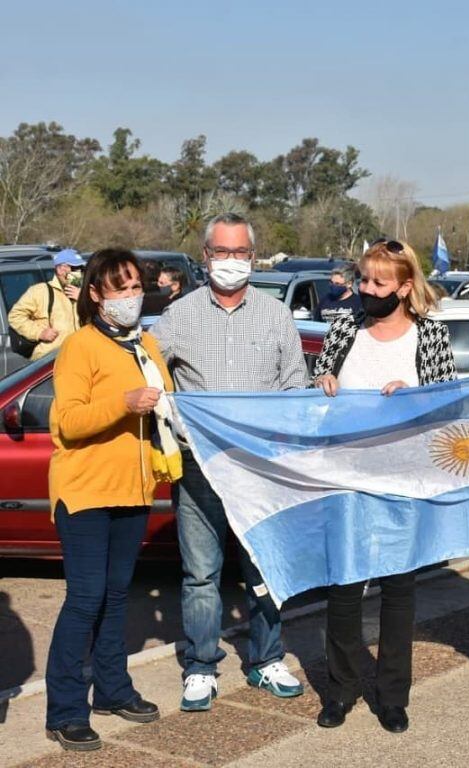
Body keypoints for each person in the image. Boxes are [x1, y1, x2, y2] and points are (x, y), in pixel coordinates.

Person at [151, 212, 310, 712]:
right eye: (222, 252)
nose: (231, 262)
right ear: (205, 256)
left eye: (241, 253)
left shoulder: (275, 315)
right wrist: (167, 410)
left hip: (260, 469)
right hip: (199, 466)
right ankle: (201, 666)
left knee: (263, 567)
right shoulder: (179, 316)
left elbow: (294, 387)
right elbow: (152, 374)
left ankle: (267, 659)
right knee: (201, 574)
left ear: (253, 257)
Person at [313, 238, 457, 734]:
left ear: (405, 286)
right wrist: (324, 381)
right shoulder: (344, 326)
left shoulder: (431, 335)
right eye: (363, 279)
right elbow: (319, 384)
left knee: (398, 591)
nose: (367, 289)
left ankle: (392, 695)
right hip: (346, 477)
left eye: (378, 282)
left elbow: (449, 404)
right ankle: (342, 688)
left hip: (404, 478)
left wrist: (416, 396)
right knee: (344, 588)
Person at [45, 249, 179, 752]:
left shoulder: (146, 343)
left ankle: (113, 690)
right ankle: (64, 710)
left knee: (116, 594)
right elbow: (68, 422)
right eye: (118, 288)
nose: (129, 296)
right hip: (85, 489)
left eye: (134, 287)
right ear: (95, 295)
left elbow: (165, 407)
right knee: (85, 599)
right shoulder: (80, 346)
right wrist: (122, 404)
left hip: (133, 487)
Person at [8, 248, 83, 359]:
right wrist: (39, 333)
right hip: (49, 361)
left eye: (81, 268)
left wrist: (83, 299)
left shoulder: (84, 293)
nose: (79, 273)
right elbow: (15, 316)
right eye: (75, 268)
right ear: (60, 269)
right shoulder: (39, 291)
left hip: (79, 357)